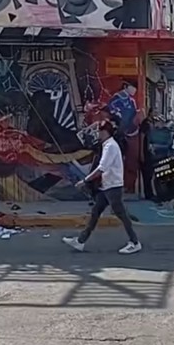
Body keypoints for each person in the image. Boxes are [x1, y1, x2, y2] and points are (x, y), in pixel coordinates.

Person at [63, 119, 142, 255]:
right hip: (106, 186)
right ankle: (81, 241)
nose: (98, 134)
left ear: (106, 132)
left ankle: (135, 243)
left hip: (113, 186)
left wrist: (84, 181)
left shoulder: (110, 146)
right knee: (95, 213)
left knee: (121, 215)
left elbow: (101, 168)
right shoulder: (107, 145)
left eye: (100, 131)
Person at [139, 108, 155, 200]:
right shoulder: (145, 123)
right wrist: (141, 153)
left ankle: (150, 192)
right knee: (146, 173)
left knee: (150, 173)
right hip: (145, 151)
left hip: (150, 151)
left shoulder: (152, 122)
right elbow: (142, 137)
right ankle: (148, 193)